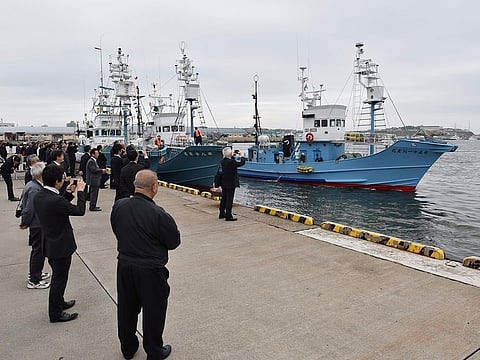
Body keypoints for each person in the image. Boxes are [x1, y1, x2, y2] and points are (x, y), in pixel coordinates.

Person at [110, 170, 180, 360]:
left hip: (124, 265)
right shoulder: (159, 215)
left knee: (126, 308)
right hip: (151, 269)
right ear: (155, 187)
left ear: (135, 184)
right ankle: (154, 350)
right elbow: (173, 242)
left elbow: (116, 227)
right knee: (153, 311)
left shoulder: (119, 206)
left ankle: (128, 347)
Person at [33, 164, 86, 323]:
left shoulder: (40, 195)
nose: (64, 181)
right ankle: (55, 313)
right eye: (62, 179)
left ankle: (59, 302)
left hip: (50, 242)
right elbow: (79, 210)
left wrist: (69, 193)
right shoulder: (55, 200)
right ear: (57, 182)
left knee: (59, 277)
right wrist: (81, 192)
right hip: (60, 245)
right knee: (59, 279)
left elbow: (58, 207)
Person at [19, 161, 51, 289]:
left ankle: (36, 272)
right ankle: (34, 279)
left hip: (38, 222)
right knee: (38, 250)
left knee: (40, 250)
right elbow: (28, 208)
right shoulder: (34, 188)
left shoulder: (33, 185)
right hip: (37, 224)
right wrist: (25, 222)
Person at [219, 147, 245, 221]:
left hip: (224, 182)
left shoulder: (223, 161)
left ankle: (221, 213)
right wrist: (242, 156)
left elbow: (231, 161)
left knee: (224, 198)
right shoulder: (231, 162)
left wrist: (232, 156)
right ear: (230, 154)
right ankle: (228, 215)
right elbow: (241, 163)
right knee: (229, 199)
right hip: (231, 183)